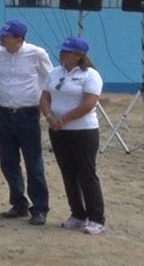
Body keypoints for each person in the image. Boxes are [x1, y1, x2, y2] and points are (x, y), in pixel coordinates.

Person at [0, 19, 51, 225]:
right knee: (7, 161)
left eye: (6, 36)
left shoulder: (37, 54)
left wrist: (45, 107)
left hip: (28, 114)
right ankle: (18, 203)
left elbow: (49, 80)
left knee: (33, 162)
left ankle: (39, 208)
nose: (1, 39)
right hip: (3, 113)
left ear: (19, 39)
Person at [41, 36, 106, 235]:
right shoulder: (55, 73)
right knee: (68, 173)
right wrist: (50, 116)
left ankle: (96, 217)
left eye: (67, 52)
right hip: (59, 131)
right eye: (62, 51)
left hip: (83, 131)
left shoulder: (90, 75)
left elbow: (89, 103)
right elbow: (45, 96)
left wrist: (65, 119)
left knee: (86, 173)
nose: (63, 55)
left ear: (79, 56)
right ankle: (77, 213)